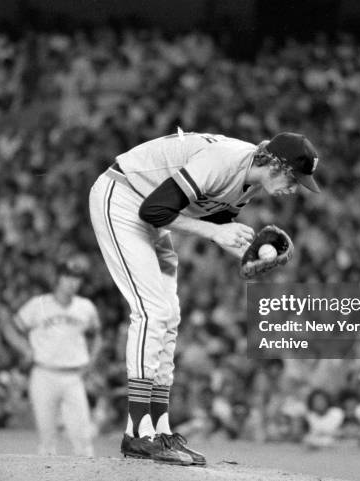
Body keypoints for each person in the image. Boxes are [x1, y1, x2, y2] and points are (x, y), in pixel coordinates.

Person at [89, 130, 321, 465]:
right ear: (276, 164)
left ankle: (159, 429)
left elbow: (212, 220)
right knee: (152, 311)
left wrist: (244, 247)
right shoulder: (223, 160)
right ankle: (137, 432)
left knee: (169, 314)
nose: (295, 187)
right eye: (295, 178)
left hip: (150, 215)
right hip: (122, 197)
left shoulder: (251, 185)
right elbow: (154, 209)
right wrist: (216, 232)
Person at [1, 256, 102, 456]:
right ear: (58, 278)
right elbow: (9, 328)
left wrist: (92, 361)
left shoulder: (86, 307)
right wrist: (25, 349)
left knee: (83, 439)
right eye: (68, 276)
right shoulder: (37, 305)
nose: (73, 282)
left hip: (74, 377)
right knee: (47, 440)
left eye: (77, 278)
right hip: (44, 374)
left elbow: (97, 337)